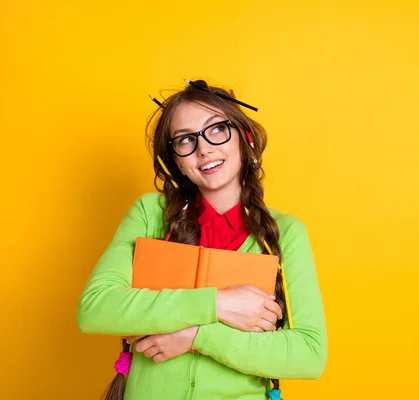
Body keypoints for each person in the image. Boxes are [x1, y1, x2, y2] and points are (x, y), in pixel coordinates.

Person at [77, 79, 328, 400]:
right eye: (185, 140)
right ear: (176, 160)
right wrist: (220, 303)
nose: (204, 148)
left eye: (217, 129)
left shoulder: (286, 231)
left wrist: (196, 335)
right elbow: (96, 308)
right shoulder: (149, 214)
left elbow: (309, 354)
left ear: (245, 137)